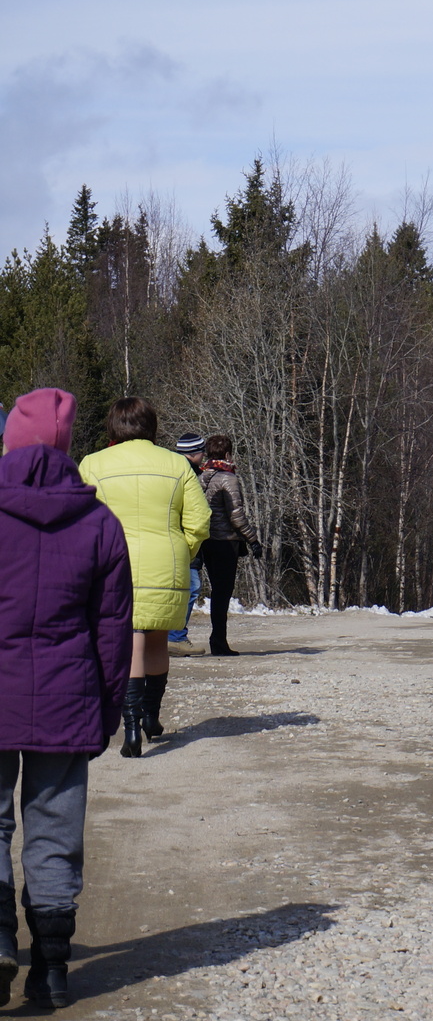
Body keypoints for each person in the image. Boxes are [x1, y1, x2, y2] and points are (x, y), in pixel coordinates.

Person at [0, 389, 133, 1009]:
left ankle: (0, 943)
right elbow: (112, 629)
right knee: (54, 833)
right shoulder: (99, 522)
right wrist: (106, 710)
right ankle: (51, 970)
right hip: (66, 697)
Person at [78, 398, 207, 759]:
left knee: (131, 640)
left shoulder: (93, 464)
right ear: (151, 425)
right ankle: (152, 717)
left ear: (113, 427)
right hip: (167, 563)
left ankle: (131, 728)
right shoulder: (177, 465)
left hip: (114, 565)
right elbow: (198, 521)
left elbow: (80, 516)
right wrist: (184, 550)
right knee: (156, 641)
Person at [196, 435, 264, 657]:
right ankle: (219, 641)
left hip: (205, 541)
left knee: (216, 591)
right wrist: (252, 539)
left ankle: (216, 639)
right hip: (225, 542)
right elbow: (236, 516)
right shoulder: (228, 478)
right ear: (227, 454)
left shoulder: (200, 476)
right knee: (222, 593)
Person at [166, 432, 208, 657]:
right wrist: (191, 546)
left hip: (171, 540)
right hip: (182, 541)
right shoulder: (188, 475)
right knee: (190, 588)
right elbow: (197, 515)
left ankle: (170, 635)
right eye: (202, 452)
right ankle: (175, 636)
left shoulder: (171, 469)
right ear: (193, 454)